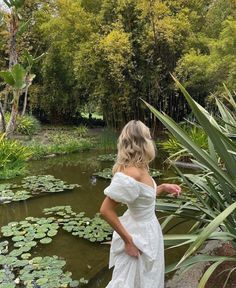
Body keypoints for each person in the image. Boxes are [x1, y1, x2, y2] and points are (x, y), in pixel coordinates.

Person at [100, 120, 181, 288]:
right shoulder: (130, 174)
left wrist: (163, 187)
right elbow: (106, 210)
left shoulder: (141, 168)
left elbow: (143, 198)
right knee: (129, 280)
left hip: (149, 231)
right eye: (148, 137)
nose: (151, 140)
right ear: (142, 142)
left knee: (146, 279)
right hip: (138, 236)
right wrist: (128, 241)